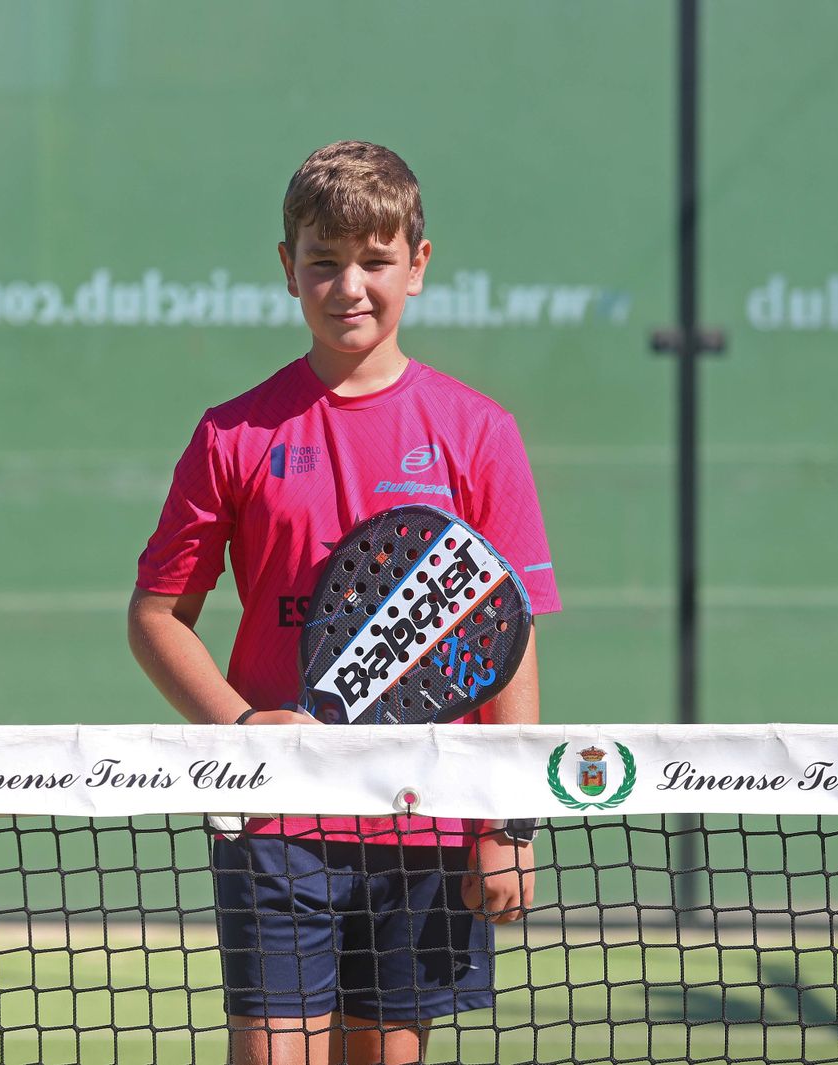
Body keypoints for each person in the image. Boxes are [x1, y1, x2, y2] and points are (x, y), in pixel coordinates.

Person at [128, 141, 562, 1065]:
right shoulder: (231, 434)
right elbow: (156, 615)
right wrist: (244, 726)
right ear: (288, 270)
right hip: (277, 816)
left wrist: (508, 821)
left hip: (429, 814)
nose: (350, 285)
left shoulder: (479, 433)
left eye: (374, 260)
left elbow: (508, 641)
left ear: (419, 264)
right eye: (324, 262)